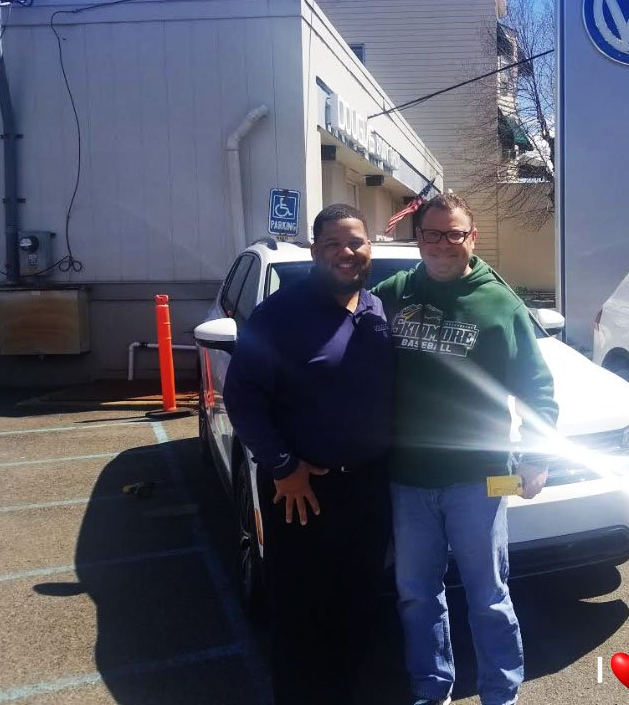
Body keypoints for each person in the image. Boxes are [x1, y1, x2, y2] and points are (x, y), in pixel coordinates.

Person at [372, 192, 559, 705]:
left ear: (471, 239)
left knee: (489, 597)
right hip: (408, 479)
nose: (442, 244)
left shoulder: (499, 304)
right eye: (432, 233)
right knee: (416, 596)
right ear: (418, 238)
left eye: (454, 234)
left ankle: (502, 692)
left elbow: (537, 388)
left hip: (479, 479)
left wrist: (538, 458)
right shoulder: (392, 293)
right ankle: (432, 689)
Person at [223, 204, 394, 704]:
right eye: (334, 244)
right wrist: (284, 466)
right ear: (316, 250)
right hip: (301, 492)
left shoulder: (378, 313)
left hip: (367, 488)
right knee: (301, 612)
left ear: (369, 249)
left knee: (357, 606)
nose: (346, 252)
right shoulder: (279, 316)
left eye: (356, 242)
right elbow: (243, 399)